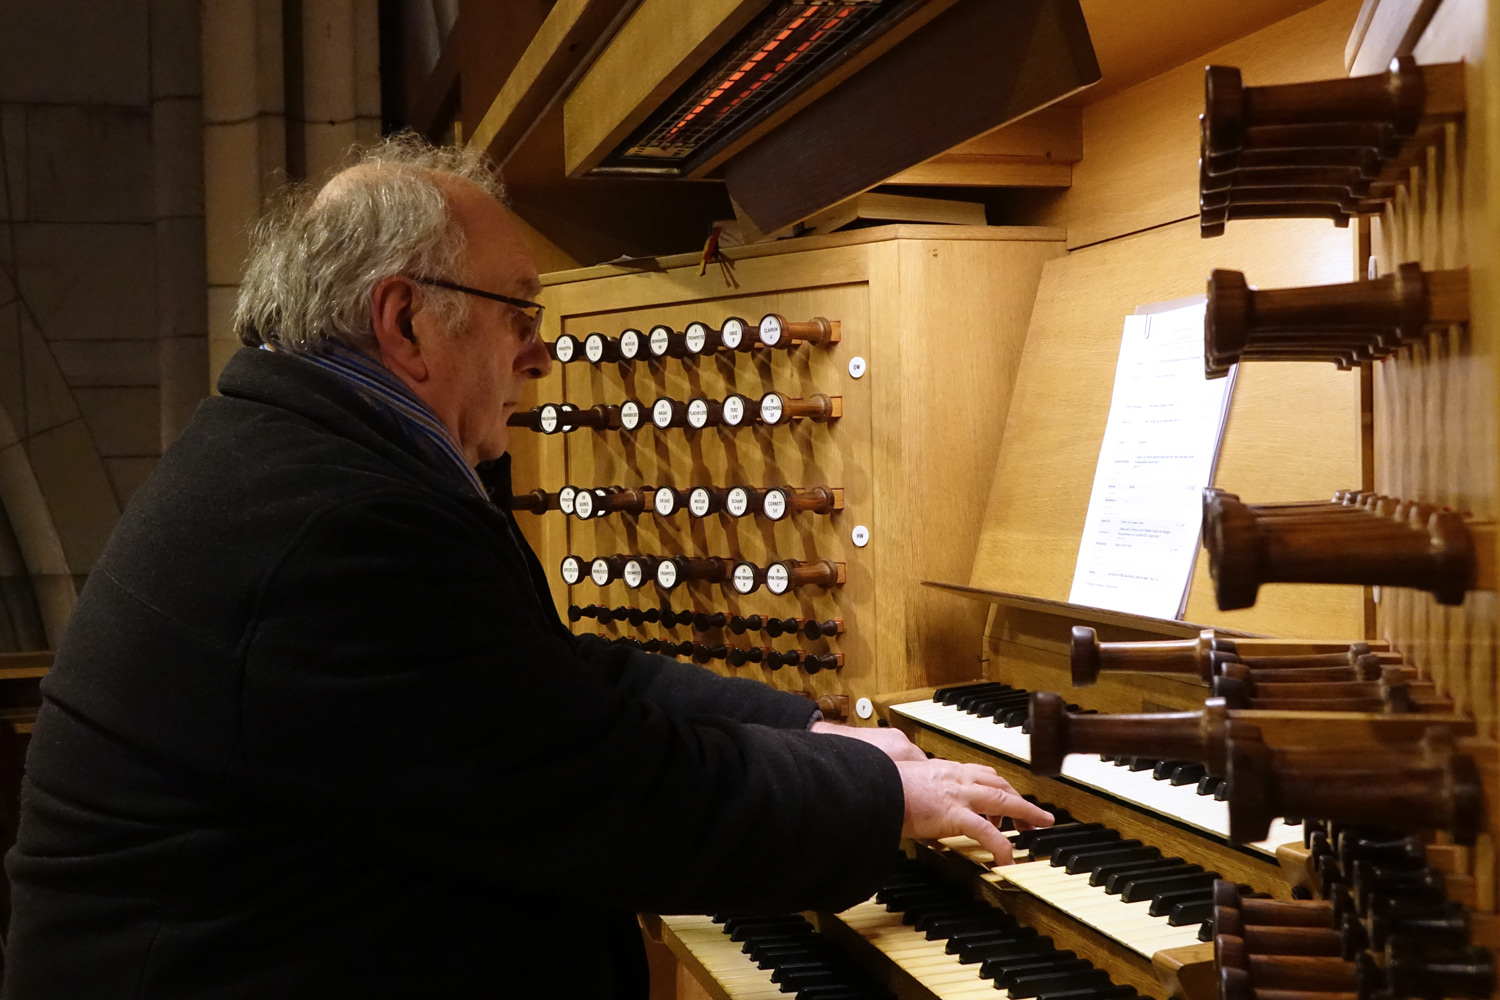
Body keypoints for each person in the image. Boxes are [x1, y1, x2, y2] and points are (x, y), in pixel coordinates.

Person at [2, 136, 1050, 999]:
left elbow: (554, 682)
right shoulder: (332, 523)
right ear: (405, 319)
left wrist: (804, 729)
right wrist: (873, 794)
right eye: (521, 312)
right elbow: (613, 797)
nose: (542, 354)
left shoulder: (315, 461)